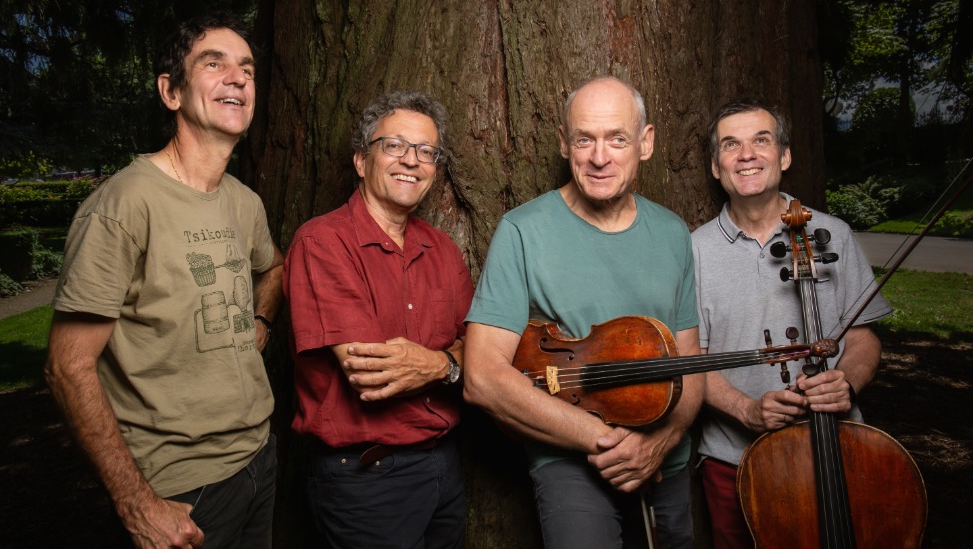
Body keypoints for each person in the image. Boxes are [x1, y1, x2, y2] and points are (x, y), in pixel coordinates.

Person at [44, 13, 284, 549]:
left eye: (247, 69)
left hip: (257, 459)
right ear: (170, 92)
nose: (238, 78)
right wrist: (136, 502)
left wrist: (261, 320)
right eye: (213, 64)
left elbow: (274, 266)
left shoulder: (244, 202)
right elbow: (66, 367)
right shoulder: (123, 205)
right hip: (180, 487)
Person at [463, 76, 703, 548]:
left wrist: (662, 440)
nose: (599, 157)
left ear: (646, 143)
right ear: (563, 142)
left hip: (666, 459)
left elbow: (691, 362)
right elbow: (482, 377)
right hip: (570, 458)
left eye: (617, 139)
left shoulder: (673, 232)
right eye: (584, 139)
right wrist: (606, 442)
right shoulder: (522, 231)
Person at [692, 97, 892, 548]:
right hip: (734, 458)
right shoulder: (693, 251)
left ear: (784, 156)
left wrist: (846, 383)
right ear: (716, 166)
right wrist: (746, 409)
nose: (747, 155)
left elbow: (863, 339)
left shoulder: (833, 234)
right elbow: (692, 361)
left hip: (839, 446)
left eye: (761, 141)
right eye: (731, 145)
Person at [284, 90, 473, 549]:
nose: (411, 160)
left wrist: (437, 364)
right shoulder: (321, 243)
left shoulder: (443, 249)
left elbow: (485, 352)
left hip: (445, 467)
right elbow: (372, 373)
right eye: (394, 145)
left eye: (426, 151)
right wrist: (454, 363)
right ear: (360, 160)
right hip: (368, 480)